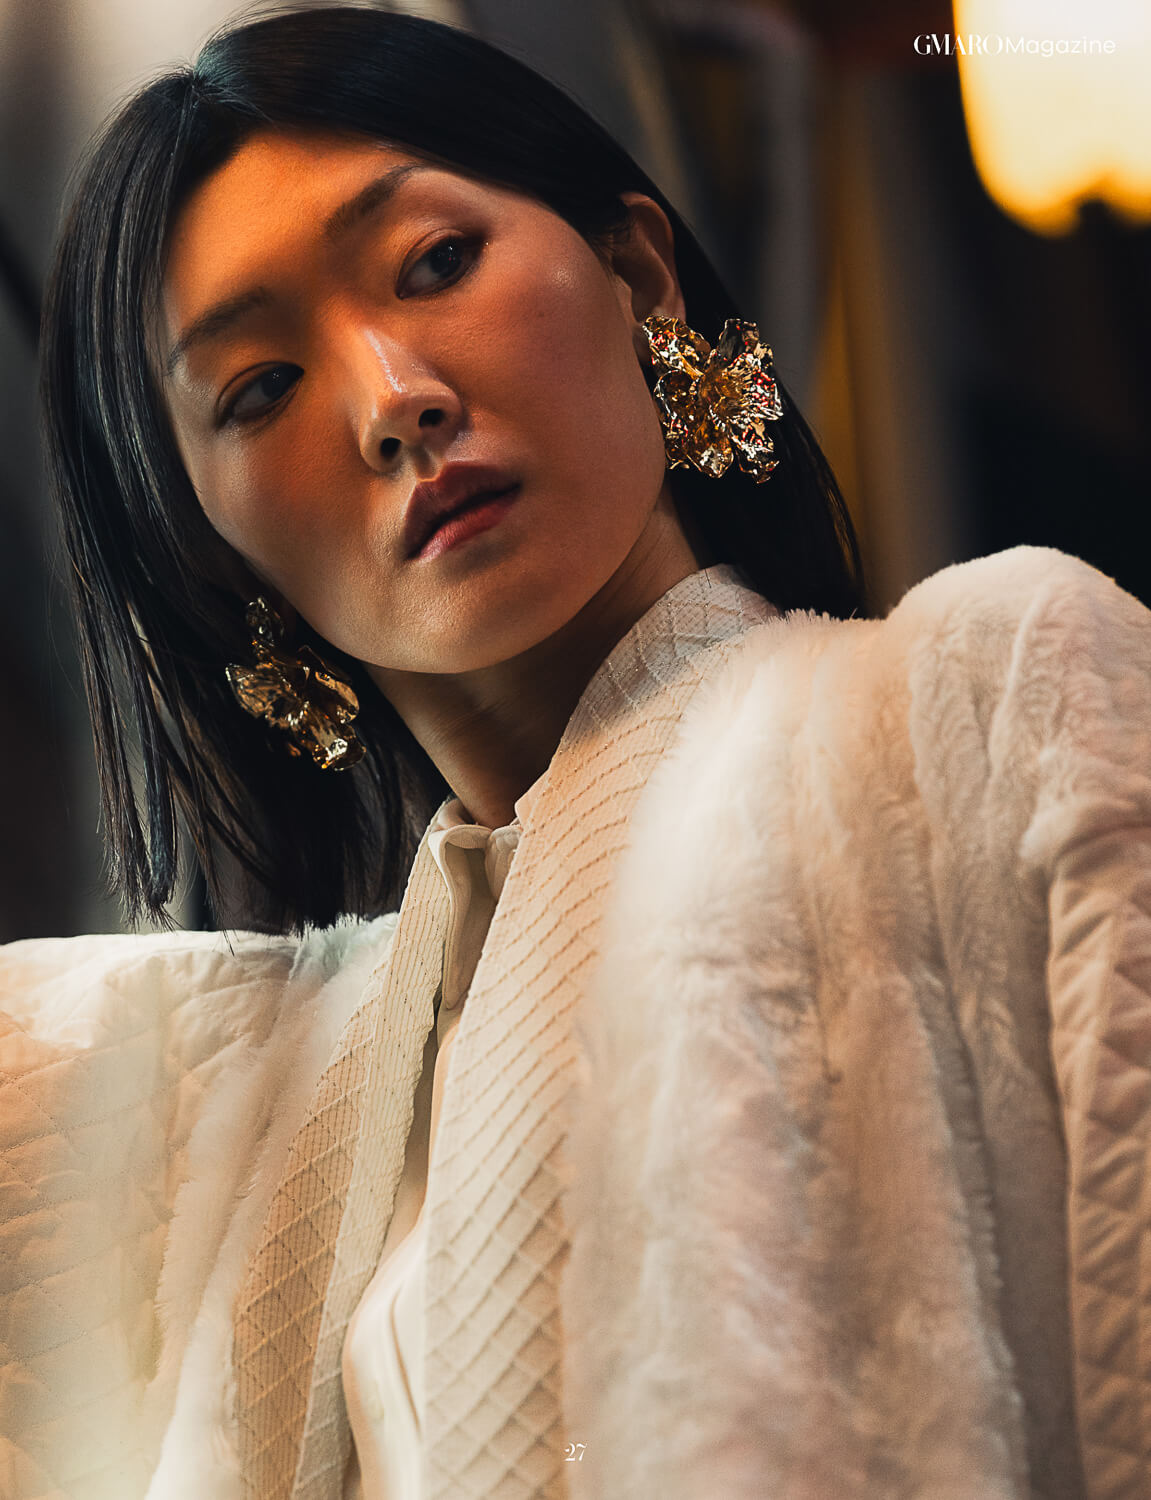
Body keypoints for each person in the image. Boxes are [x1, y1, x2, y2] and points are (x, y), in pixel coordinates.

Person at [3, 5, 1149, 1499]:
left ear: (638, 277)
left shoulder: (996, 699)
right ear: (213, 559)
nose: (393, 400)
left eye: (436, 263)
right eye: (259, 388)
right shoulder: (231, 1100)